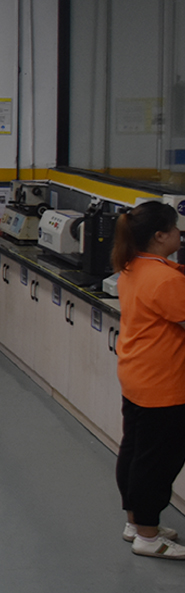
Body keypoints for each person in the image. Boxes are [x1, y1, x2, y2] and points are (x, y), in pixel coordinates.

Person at [110, 200, 185, 560]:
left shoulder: (133, 265)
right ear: (160, 236)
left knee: (135, 450)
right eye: (175, 228)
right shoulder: (165, 279)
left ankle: (135, 523)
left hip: (137, 374)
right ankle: (149, 537)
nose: (180, 233)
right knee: (157, 462)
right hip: (163, 382)